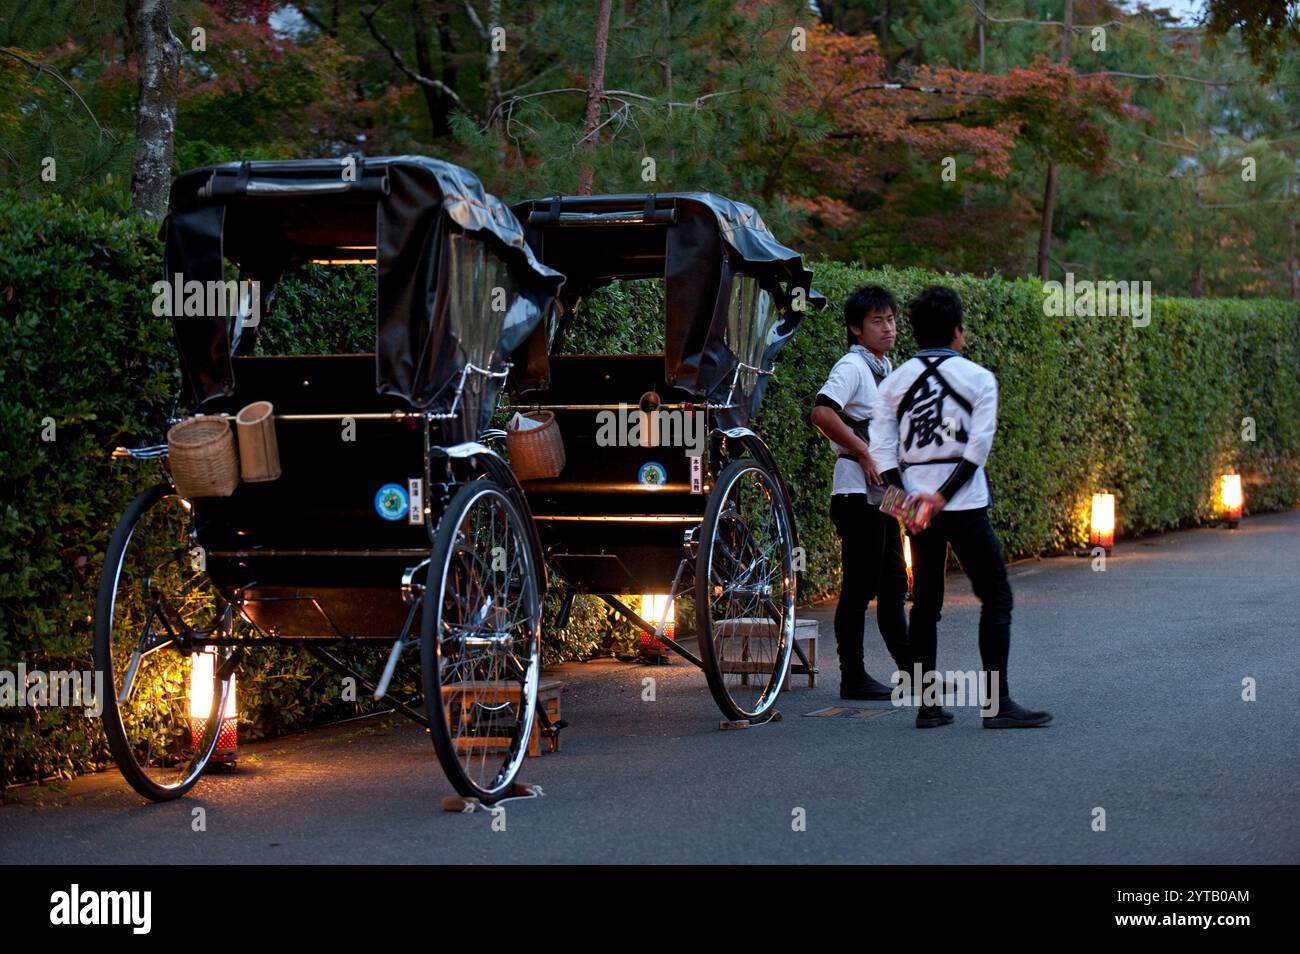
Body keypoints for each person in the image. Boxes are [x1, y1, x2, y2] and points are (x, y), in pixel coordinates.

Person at [868, 285, 1052, 729]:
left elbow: (881, 449)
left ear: (913, 332)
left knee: (926, 604)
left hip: (913, 503)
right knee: (996, 597)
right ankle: (997, 704)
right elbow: (978, 448)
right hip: (964, 502)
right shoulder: (978, 378)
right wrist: (945, 495)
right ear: (957, 331)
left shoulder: (893, 382)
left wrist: (909, 500)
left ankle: (928, 707)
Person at [810, 285, 911, 700]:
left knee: (893, 584)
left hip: (885, 492)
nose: (887, 328)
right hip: (856, 491)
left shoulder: (885, 368)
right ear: (856, 329)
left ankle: (913, 671)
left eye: (890, 319)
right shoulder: (852, 366)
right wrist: (864, 450)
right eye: (877, 321)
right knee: (858, 586)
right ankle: (852, 676)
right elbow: (821, 411)